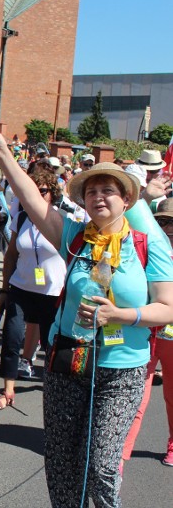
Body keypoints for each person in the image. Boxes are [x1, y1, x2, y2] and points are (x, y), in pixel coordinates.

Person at [0, 122, 173, 508]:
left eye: (108, 190)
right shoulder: (75, 236)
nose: (99, 197)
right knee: (62, 464)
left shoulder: (147, 244)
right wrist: (5, 156)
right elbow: (32, 200)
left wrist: (121, 314)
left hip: (122, 370)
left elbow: (167, 305)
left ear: (126, 200)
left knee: (101, 465)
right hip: (67, 362)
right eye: (91, 191)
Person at [0, 169, 66, 409]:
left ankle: (55, 388)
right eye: (33, 190)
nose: (38, 195)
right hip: (20, 287)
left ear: (52, 193)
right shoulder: (22, 218)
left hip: (52, 292)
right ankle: (7, 390)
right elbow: (12, 255)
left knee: (50, 345)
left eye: (43, 191)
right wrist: (4, 290)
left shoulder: (62, 219)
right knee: (12, 338)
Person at [122, 197, 173, 468]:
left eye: (172, 222)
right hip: (146, 332)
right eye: (161, 221)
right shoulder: (145, 245)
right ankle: (120, 449)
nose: (167, 227)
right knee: (134, 395)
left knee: (172, 397)